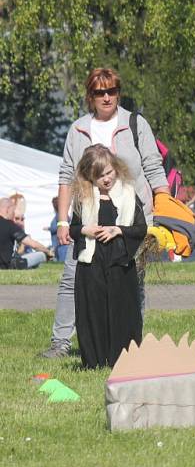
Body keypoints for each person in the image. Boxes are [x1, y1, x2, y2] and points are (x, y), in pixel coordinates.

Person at [41, 67, 168, 359]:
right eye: (100, 92)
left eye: (112, 91)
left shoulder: (136, 124)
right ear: (91, 96)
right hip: (89, 219)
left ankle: (130, 346)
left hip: (132, 217)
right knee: (74, 277)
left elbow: (153, 167)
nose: (107, 97)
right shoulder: (78, 129)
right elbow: (66, 175)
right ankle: (61, 343)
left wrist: (164, 215)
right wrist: (63, 220)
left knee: (132, 281)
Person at [69, 145, 146, 368]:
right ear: (89, 176)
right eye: (99, 175)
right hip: (91, 264)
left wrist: (118, 230)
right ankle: (94, 361)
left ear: (116, 169)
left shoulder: (129, 195)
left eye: (109, 173)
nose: (105, 179)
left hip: (119, 262)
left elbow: (140, 229)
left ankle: (123, 360)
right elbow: (74, 229)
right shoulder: (83, 198)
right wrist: (86, 230)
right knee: (93, 311)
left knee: (123, 311)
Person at [0, 197, 53, 269]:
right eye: (13, 210)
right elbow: (34, 245)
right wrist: (48, 252)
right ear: (8, 209)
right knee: (41, 254)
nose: (13, 213)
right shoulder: (9, 225)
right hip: (7, 266)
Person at [47, 196, 70, 262]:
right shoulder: (63, 216)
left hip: (61, 246)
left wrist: (50, 229)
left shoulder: (60, 216)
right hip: (61, 246)